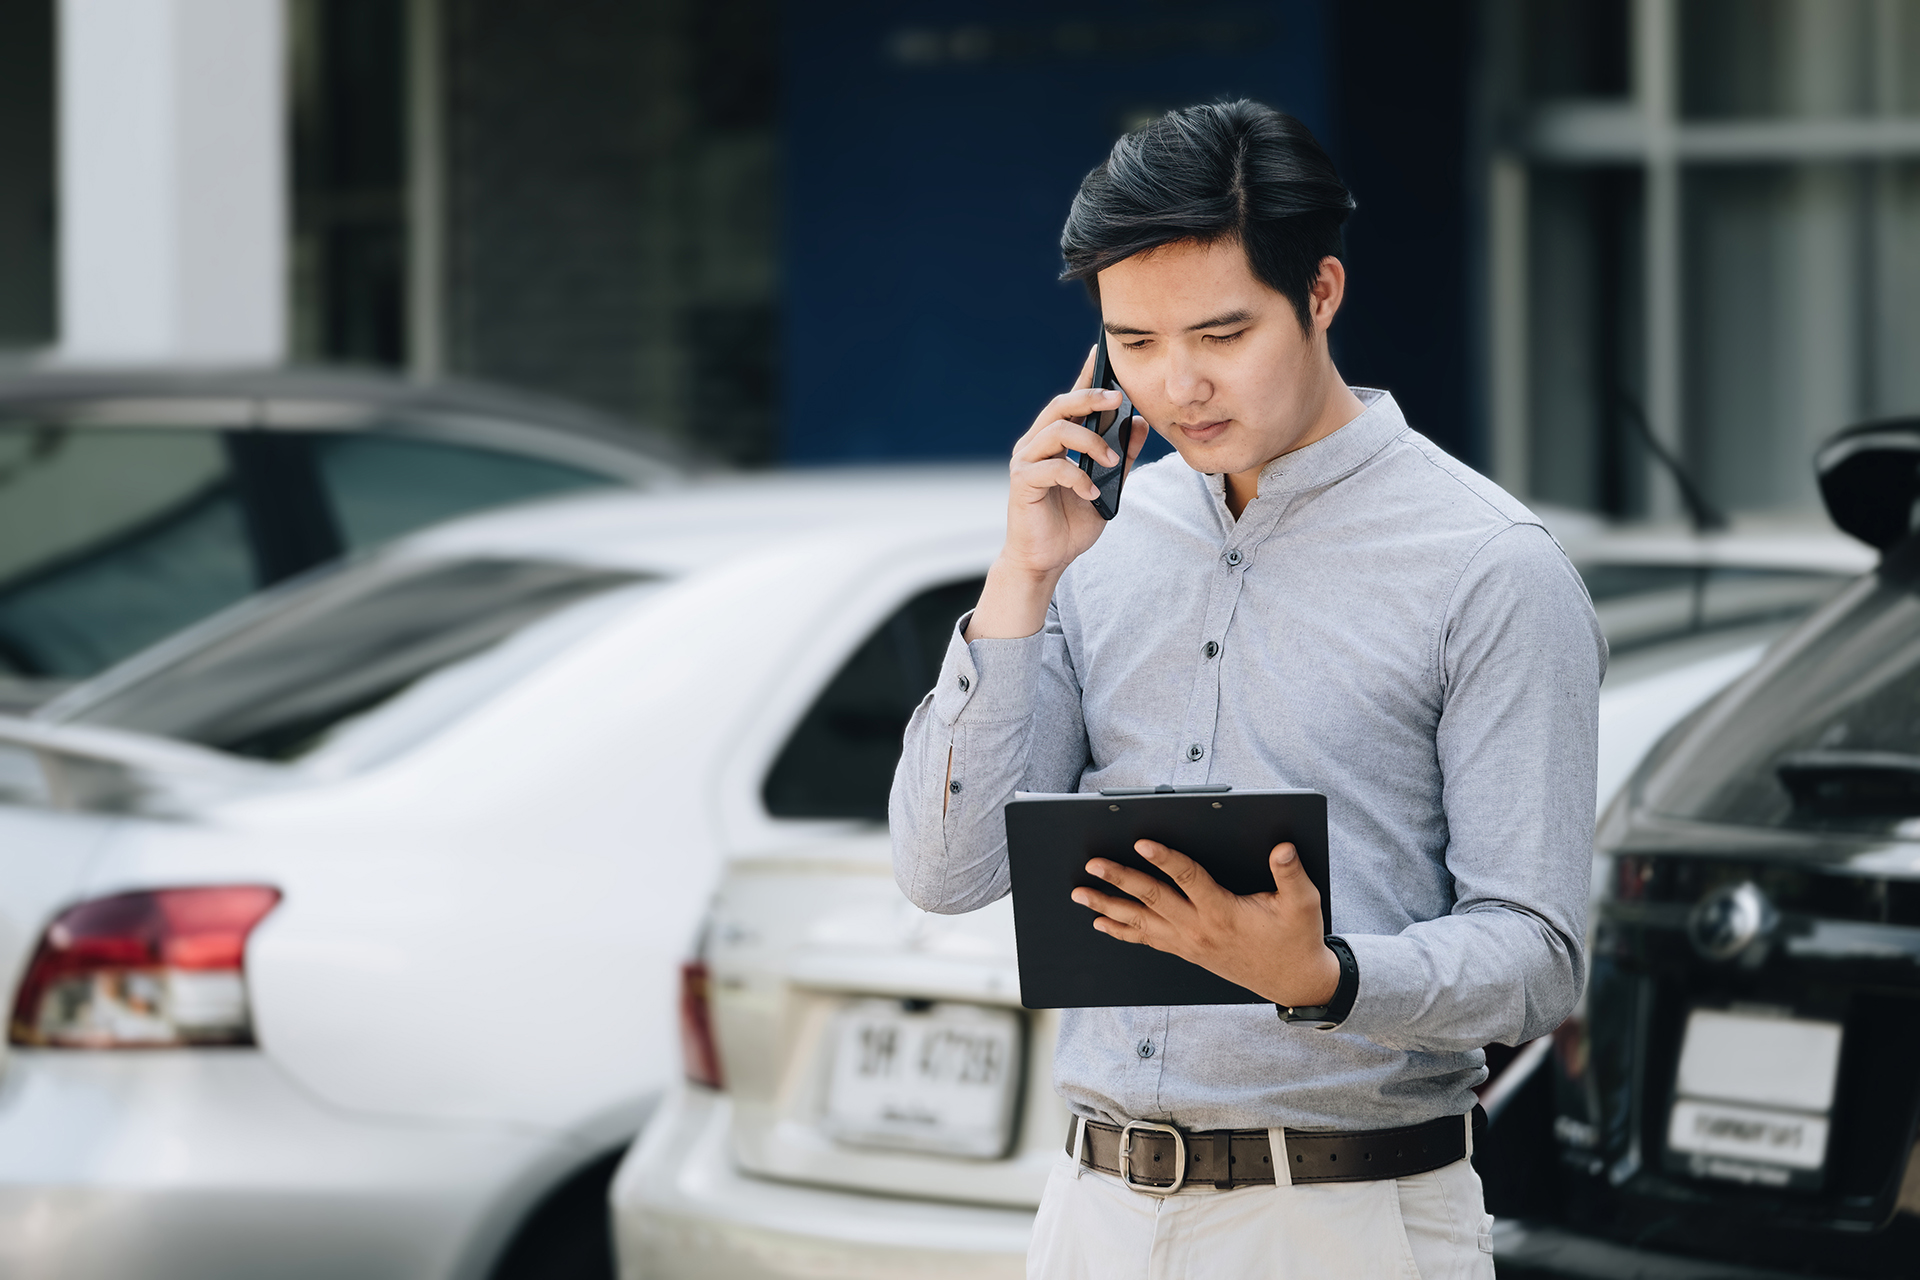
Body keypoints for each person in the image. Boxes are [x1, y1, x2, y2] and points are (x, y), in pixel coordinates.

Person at [889, 100, 1604, 1278]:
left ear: (1321, 293)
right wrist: (1018, 575)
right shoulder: (1092, 536)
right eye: (1134, 341)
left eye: (1222, 334)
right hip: (1093, 1209)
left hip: (1343, 1216)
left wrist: (1325, 977)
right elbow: (945, 866)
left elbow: (1536, 956)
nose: (1177, 387)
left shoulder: (1492, 566)